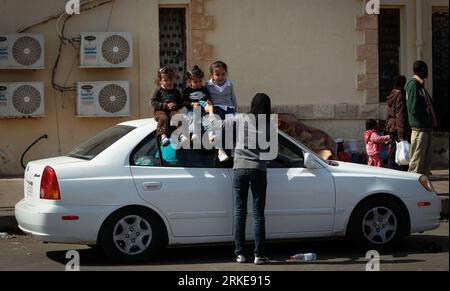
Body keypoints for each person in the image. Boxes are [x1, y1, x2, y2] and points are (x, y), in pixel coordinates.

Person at [218, 93, 275, 265]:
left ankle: (240, 254)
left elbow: (220, 126)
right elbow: (272, 152)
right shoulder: (269, 124)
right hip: (258, 170)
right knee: (258, 214)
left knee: (239, 212)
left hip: (240, 169)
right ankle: (259, 255)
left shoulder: (240, 119)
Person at [405, 60, 438, 177]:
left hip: (426, 128)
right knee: (417, 161)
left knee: (426, 161)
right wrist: (423, 118)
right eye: (425, 69)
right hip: (419, 130)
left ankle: (424, 186)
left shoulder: (420, 85)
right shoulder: (413, 85)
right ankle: (412, 186)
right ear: (420, 70)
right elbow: (412, 108)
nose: (427, 71)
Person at [206, 61, 238, 162]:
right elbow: (206, 98)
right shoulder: (208, 85)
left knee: (232, 125)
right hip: (216, 107)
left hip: (229, 108)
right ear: (212, 75)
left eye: (223, 74)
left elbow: (233, 98)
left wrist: (234, 110)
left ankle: (233, 149)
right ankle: (220, 150)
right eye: (217, 74)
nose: (220, 77)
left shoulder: (229, 84)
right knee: (217, 125)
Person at [151, 66, 188, 147]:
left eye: (170, 80)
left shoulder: (176, 91)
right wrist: (165, 106)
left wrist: (175, 105)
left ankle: (181, 134)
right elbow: (153, 102)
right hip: (160, 110)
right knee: (164, 118)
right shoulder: (158, 90)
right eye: (165, 80)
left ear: (173, 79)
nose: (168, 82)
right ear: (160, 81)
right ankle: (163, 136)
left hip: (172, 110)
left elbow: (181, 103)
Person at [183, 65, 216, 143]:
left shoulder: (204, 89)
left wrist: (208, 102)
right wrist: (192, 104)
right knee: (195, 118)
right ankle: (195, 134)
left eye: (200, 81)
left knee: (208, 119)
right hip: (192, 110)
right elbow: (184, 102)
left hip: (203, 109)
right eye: (195, 82)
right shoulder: (187, 91)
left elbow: (208, 97)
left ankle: (211, 134)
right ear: (189, 81)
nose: (198, 84)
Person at [386, 75, 411, 171]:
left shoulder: (392, 94)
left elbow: (389, 113)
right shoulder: (400, 95)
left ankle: (393, 170)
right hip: (398, 128)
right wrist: (402, 134)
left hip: (392, 126)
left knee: (394, 150)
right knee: (400, 151)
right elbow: (400, 114)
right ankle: (397, 172)